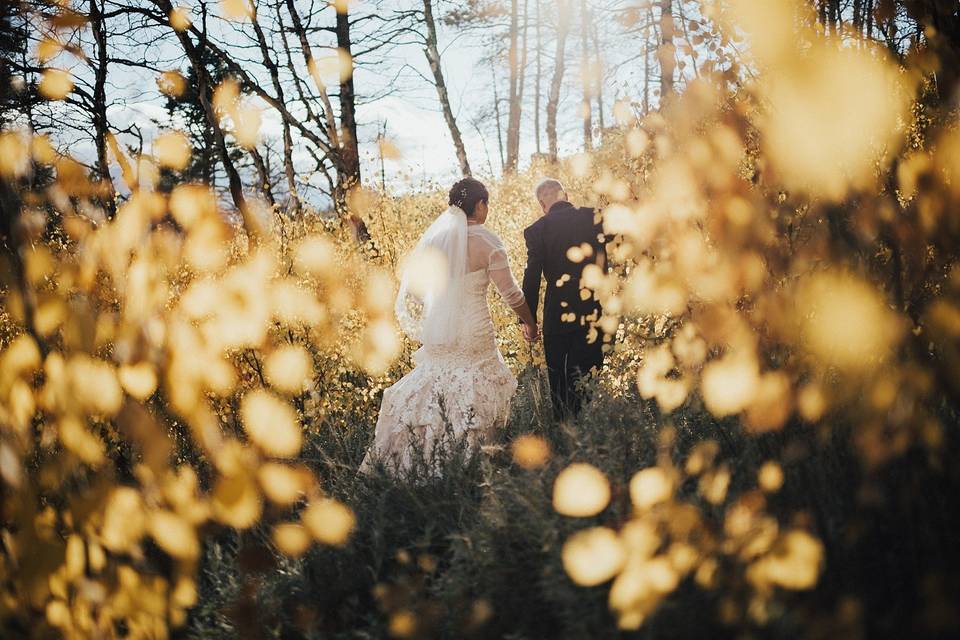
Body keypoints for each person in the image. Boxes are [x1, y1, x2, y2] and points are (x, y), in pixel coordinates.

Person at [360, 177, 538, 475]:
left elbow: (415, 292)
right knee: (473, 392)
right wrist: (530, 323)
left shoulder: (434, 242)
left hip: (439, 332)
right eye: (486, 204)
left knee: (435, 389)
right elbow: (511, 294)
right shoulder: (488, 241)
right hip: (473, 331)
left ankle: (415, 464)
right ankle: (469, 469)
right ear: (480, 205)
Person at [521, 178, 608, 418]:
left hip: (556, 314)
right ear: (566, 195)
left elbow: (532, 276)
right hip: (592, 307)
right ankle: (589, 428)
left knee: (559, 383)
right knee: (589, 376)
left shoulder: (536, 230)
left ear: (542, 203)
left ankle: (563, 432)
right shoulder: (594, 216)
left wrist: (528, 320)